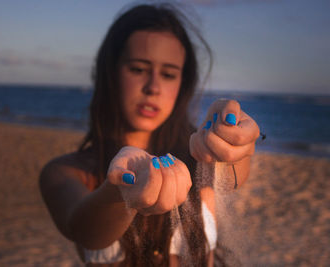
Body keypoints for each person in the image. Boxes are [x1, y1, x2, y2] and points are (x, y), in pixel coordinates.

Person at [39, 3, 260, 267]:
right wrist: (119, 189)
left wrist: (231, 140)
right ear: (110, 72)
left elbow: (232, 175)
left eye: (168, 74)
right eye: (138, 69)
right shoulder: (65, 172)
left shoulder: (196, 156)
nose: (153, 87)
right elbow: (87, 233)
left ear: (182, 84)